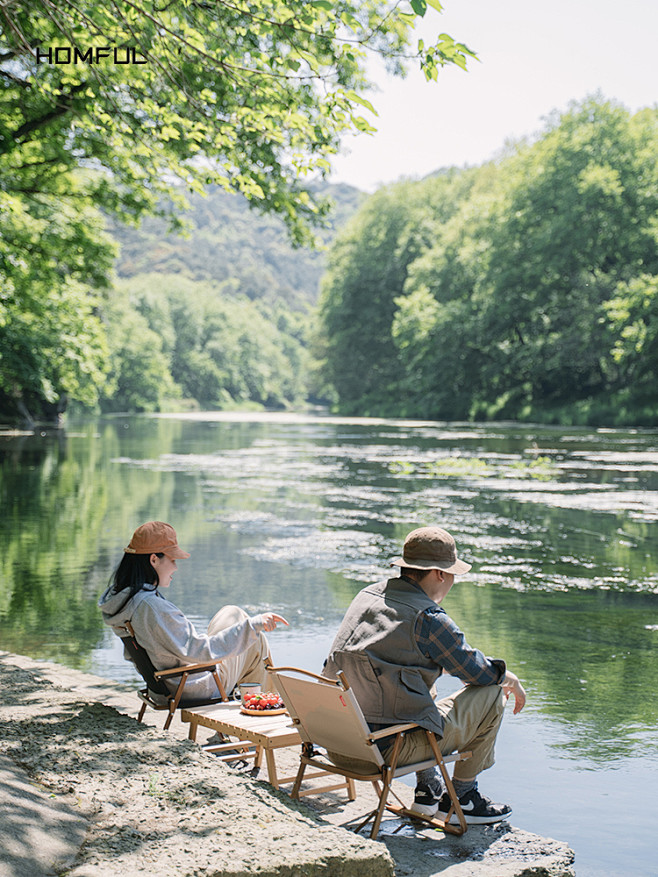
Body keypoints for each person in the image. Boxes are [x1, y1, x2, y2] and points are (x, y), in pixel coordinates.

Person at [323, 525, 526, 825]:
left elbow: (388, 656)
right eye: (453, 574)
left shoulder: (367, 596)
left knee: (416, 682)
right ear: (439, 573)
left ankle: (428, 788)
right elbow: (479, 675)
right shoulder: (429, 618)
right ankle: (464, 798)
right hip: (383, 752)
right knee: (493, 693)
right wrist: (508, 677)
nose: (453, 581)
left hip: (338, 744)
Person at [99, 521, 288, 701]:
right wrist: (254, 625)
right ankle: (270, 709)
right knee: (255, 640)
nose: (176, 567)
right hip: (195, 686)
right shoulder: (151, 608)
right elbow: (200, 650)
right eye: (172, 559)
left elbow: (135, 655)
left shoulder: (125, 602)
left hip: (166, 683)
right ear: (154, 559)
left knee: (233, 614)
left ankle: (260, 710)